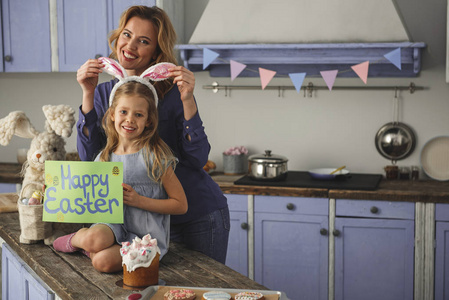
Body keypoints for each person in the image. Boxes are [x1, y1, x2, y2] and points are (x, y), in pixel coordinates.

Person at [75, 6, 230, 263]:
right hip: (140, 226)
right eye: (127, 34)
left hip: (195, 218)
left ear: (157, 53)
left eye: (143, 41)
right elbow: (91, 157)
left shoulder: (173, 91)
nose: (130, 45)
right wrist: (87, 94)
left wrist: (189, 100)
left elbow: (197, 159)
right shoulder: (103, 93)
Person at [53, 72, 188, 273]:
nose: (130, 120)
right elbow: (88, 198)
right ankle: (78, 239)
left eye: (138, 114)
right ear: (113, 114)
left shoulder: (155, 157)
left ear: (149, 121)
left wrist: (139, 201)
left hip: (145, 239)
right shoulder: (104, 157)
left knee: (102, 262)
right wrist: (58, 191)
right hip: (111, 227)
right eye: (123, 112)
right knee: (93, 238)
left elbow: (181, 205)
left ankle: (91, 250)